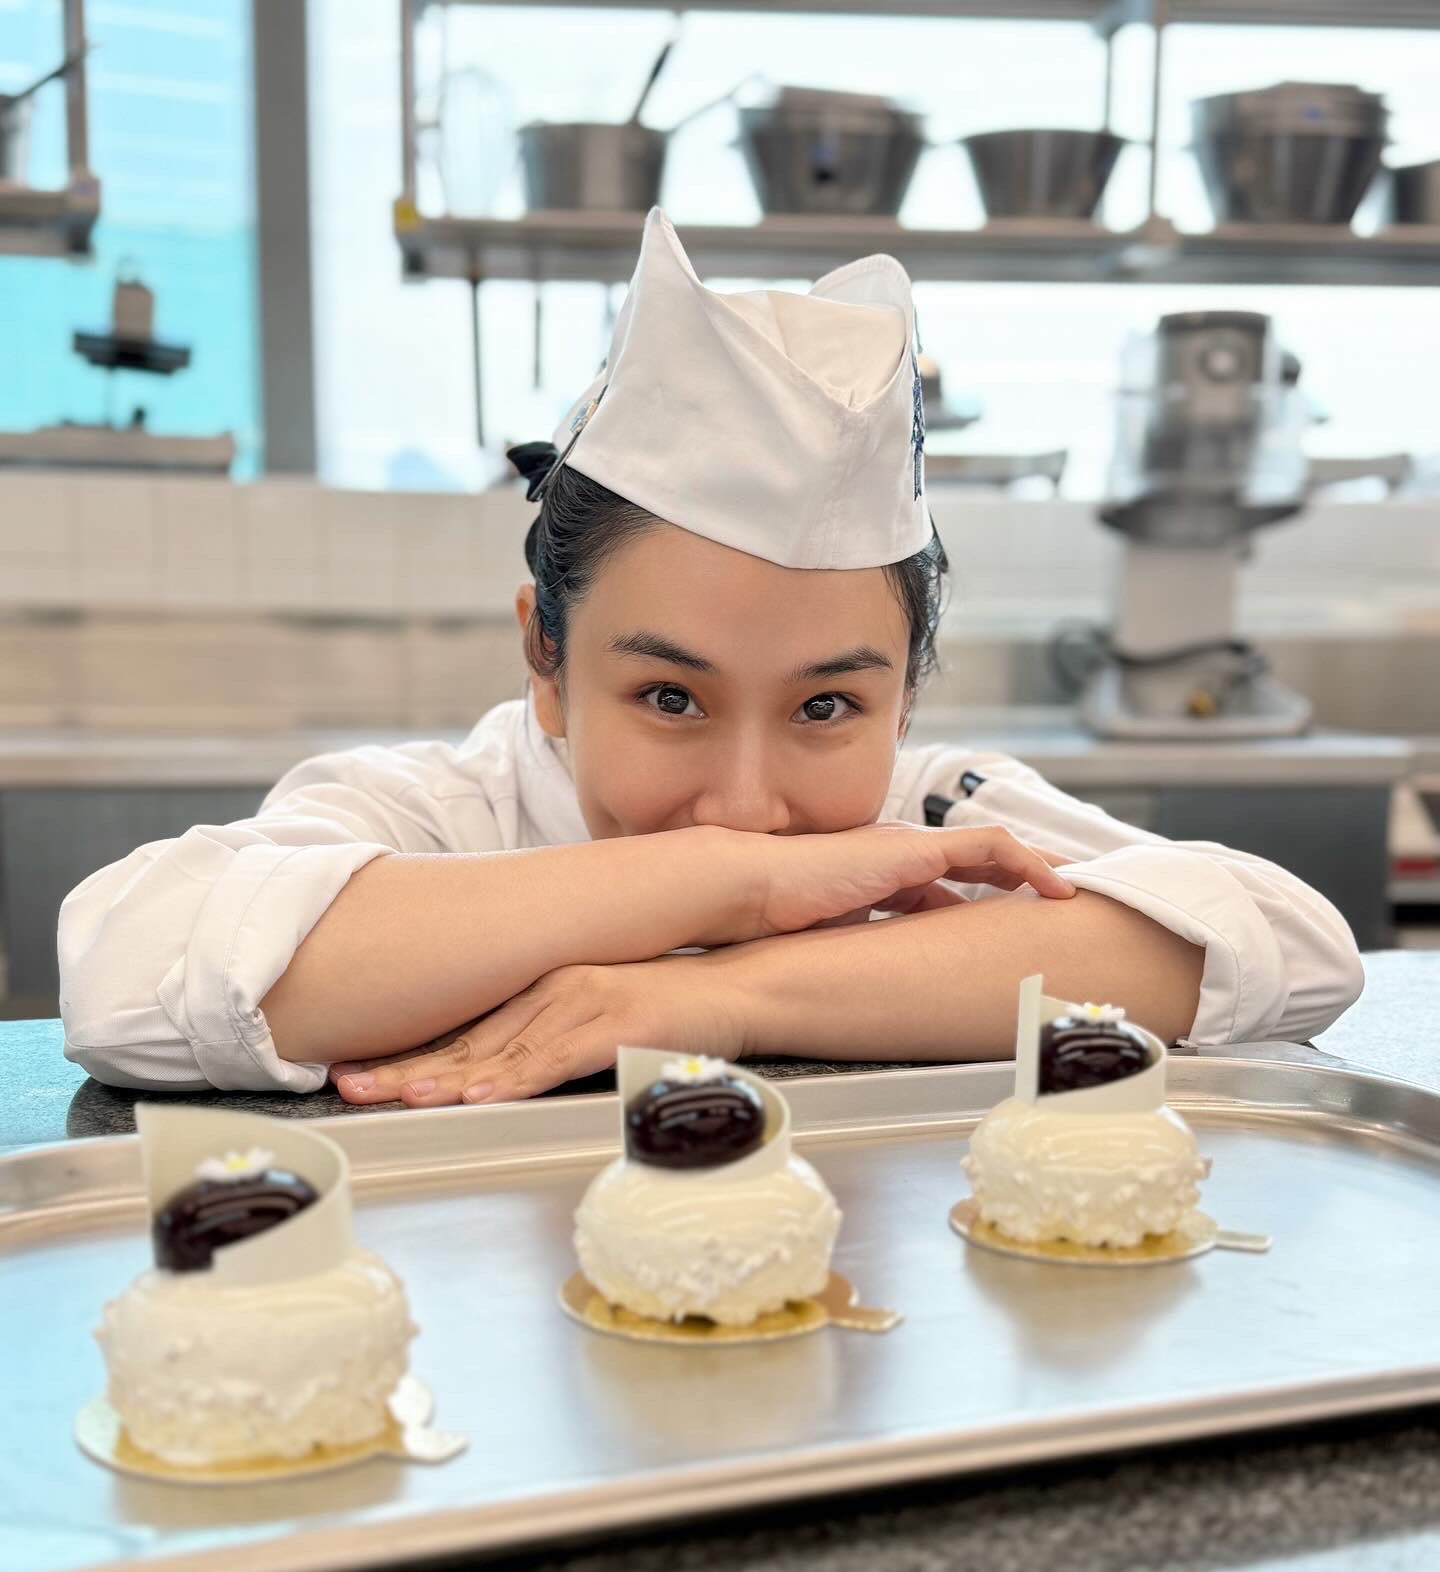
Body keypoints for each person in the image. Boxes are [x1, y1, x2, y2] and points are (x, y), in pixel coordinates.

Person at [58, 210, 1362, 1107]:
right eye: (671, 696)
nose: (747, 804)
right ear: (547, 657)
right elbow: (127, 977)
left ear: (908, 697)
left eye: (828, 706)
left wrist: (731, 995)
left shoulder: (929, 817)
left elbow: (1285, 945)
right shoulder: (439, 817)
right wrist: (728, 883)